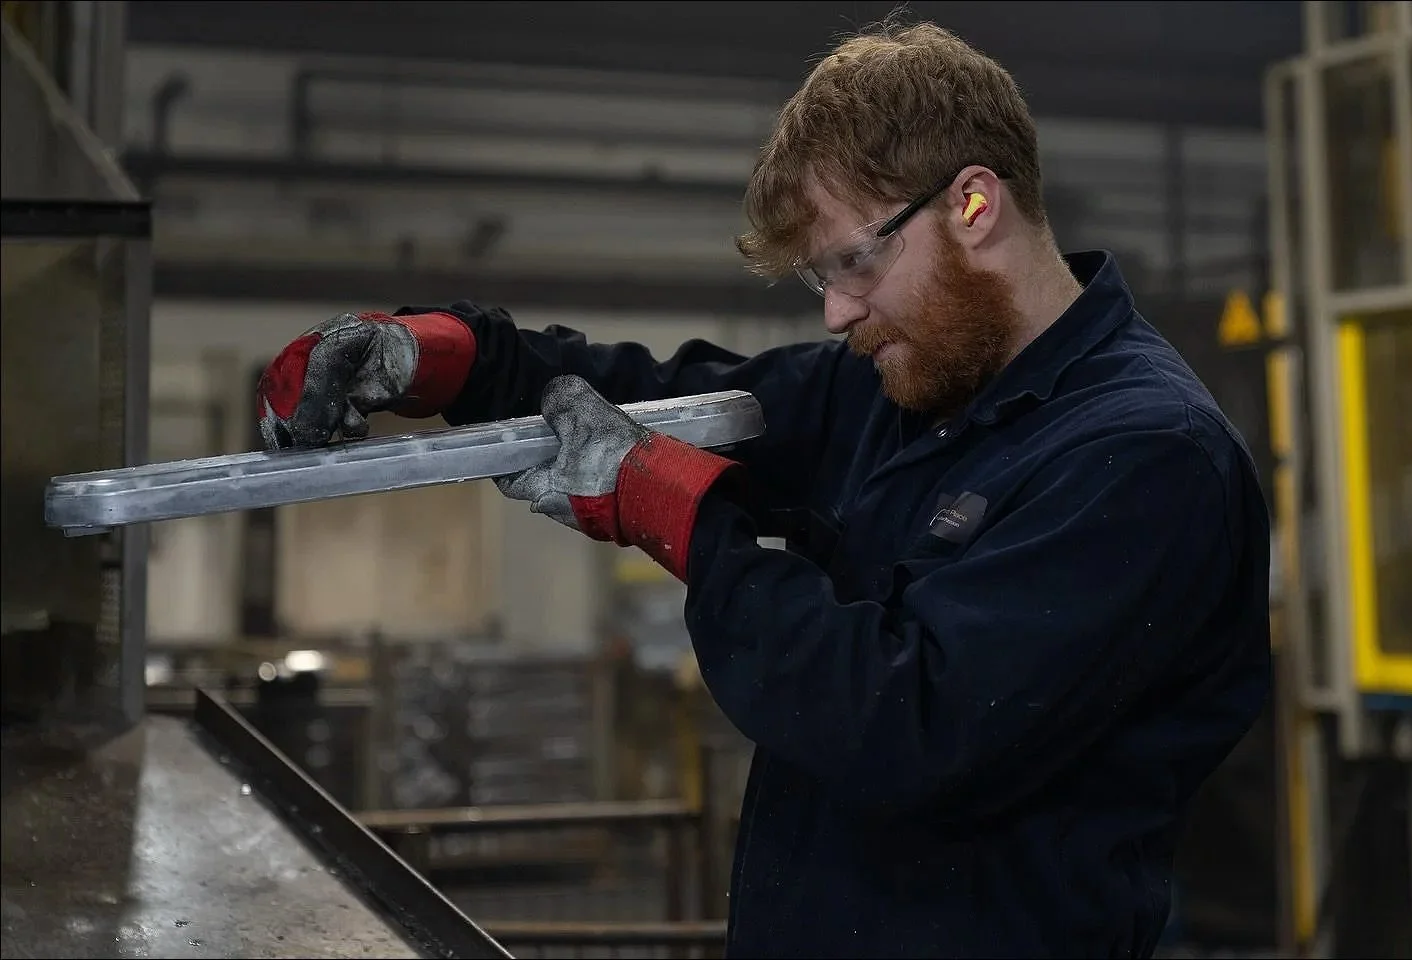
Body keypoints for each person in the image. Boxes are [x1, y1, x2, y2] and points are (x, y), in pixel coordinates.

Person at [255, 19, 1273, 959]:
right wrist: (456, 359)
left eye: (855, 262)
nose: (835, 312)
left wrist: (689, 525)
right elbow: (673, 404)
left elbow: (909, 726)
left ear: (973, 203)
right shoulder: (911, 385)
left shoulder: (1143, 458)